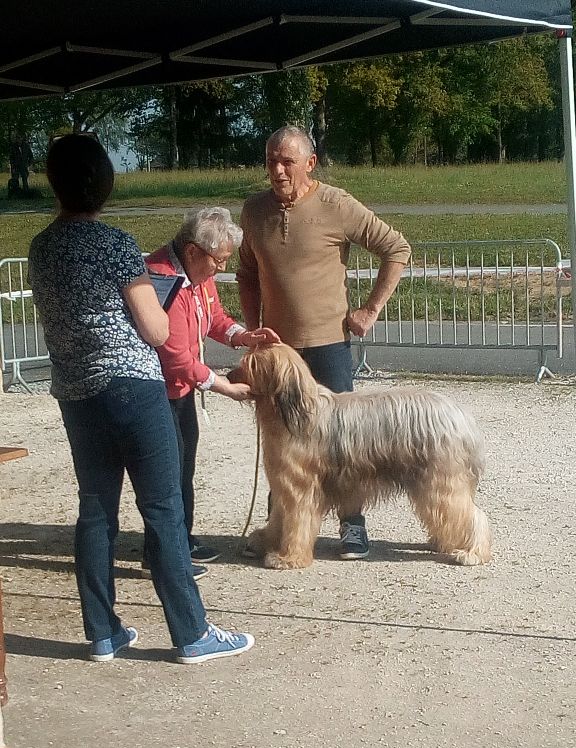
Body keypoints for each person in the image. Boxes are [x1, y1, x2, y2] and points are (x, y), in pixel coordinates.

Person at [27, 133, 254, 665]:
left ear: (54, 183)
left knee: (96, 511)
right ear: (104, 183)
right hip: (133, 385)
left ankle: (102, 631)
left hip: (76, 391)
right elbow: (155, 329)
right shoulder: (117, 244)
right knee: (163, 509)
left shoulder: (41, 247)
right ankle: (191, 632)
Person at [237, 125, 411, 561]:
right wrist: (250, 330)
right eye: (271, 160)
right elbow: (245, 273)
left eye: (287, 161)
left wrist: (370, 309)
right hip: (277, 354)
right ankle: (283, 531)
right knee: (283, 448)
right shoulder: (253, 211)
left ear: (310, 163)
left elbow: (397, 249)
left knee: (343, 447)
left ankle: (352, 528)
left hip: (328, 344)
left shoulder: (337, 204)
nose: (277, 170)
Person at [145, 207, 280, 571]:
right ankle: (164, 552)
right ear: (192, 251)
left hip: (181, 391)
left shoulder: (198, 276)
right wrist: (225, 387)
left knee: (182, 465)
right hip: (156, 390)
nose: (220, 268)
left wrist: (244, 335)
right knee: (167, 471)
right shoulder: (161, 279)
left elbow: (214, 318)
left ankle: (179, 538)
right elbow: (176, 358)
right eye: (218, 260)